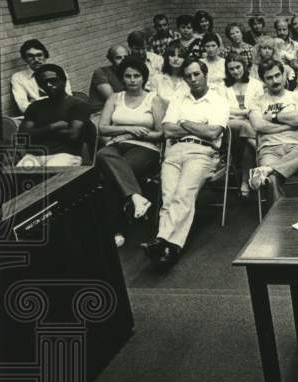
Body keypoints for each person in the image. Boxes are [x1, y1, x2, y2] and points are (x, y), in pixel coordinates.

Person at [143, 59, 229, 266]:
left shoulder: (219, 101)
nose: (193, 79)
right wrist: (197, 126)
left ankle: (162, 240)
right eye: (188, 76)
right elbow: (168, 131)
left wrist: (184, 122)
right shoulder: (178, 100)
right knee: (169, 197)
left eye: (196, 74)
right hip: (174, 151)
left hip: (202, 152)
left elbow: (213, 132)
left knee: (183, 194)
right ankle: (170, 248)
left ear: (205, 74)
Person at [95, 56, 165, 246]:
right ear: (122, 78)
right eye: (128, 76)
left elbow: (159, 133)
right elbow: (102, 128)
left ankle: (118, 231)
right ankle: (136, 197)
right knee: (102, 154)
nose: (132, 80)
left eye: (136, 76)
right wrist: (128, 129)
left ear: (143, 78)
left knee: (109, 177)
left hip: (146, 149)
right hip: (116, 148)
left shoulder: (153, 100)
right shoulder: (114, 98)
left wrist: (132, 136)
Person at [247, 59, 298, 202]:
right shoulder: (256, 101)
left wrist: (273, 117)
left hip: (296, 149)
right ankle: (276, 220)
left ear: (283, 75)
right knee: (272, 179)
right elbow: (258, 126)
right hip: (269, 149)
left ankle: (268, 169)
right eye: (269, 77)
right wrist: (289, 125)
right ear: (263, 80)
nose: (275, 80)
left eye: (277, 75)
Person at [17, 63, 92, 167]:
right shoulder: (35, 106)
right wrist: (53, 127)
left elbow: (72, 135)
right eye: (43, 82)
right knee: (16, 176)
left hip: (65, 155)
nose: (48, 85)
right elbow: (22, 137)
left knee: (50, 173)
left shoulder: (78, 104)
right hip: (34, 156)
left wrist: (37, 133)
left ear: (64, 81)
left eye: (52, 80)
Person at [222, 52, 263, 199]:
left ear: (244, 66)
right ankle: (261, 149)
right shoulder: (223, 86)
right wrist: (247, 112)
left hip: (251, 125)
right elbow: (223, 109)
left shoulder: (256, 84)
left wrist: (243, 113)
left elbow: (260, 106)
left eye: (238, 67)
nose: (235, 71)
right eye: (231, 69)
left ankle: (244, 182)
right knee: (244, 126)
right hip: (230, 129)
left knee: (247, 143)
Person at [10, 38, 73, 115]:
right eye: (30, 56)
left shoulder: (57, 71)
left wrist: (36, 102)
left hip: (62, 113)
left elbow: (67, 97)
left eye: (39, 55)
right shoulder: (18, 78)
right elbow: (23, 107)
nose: (36, 59)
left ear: (45, 56)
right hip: (37, 117)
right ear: (25, 59)